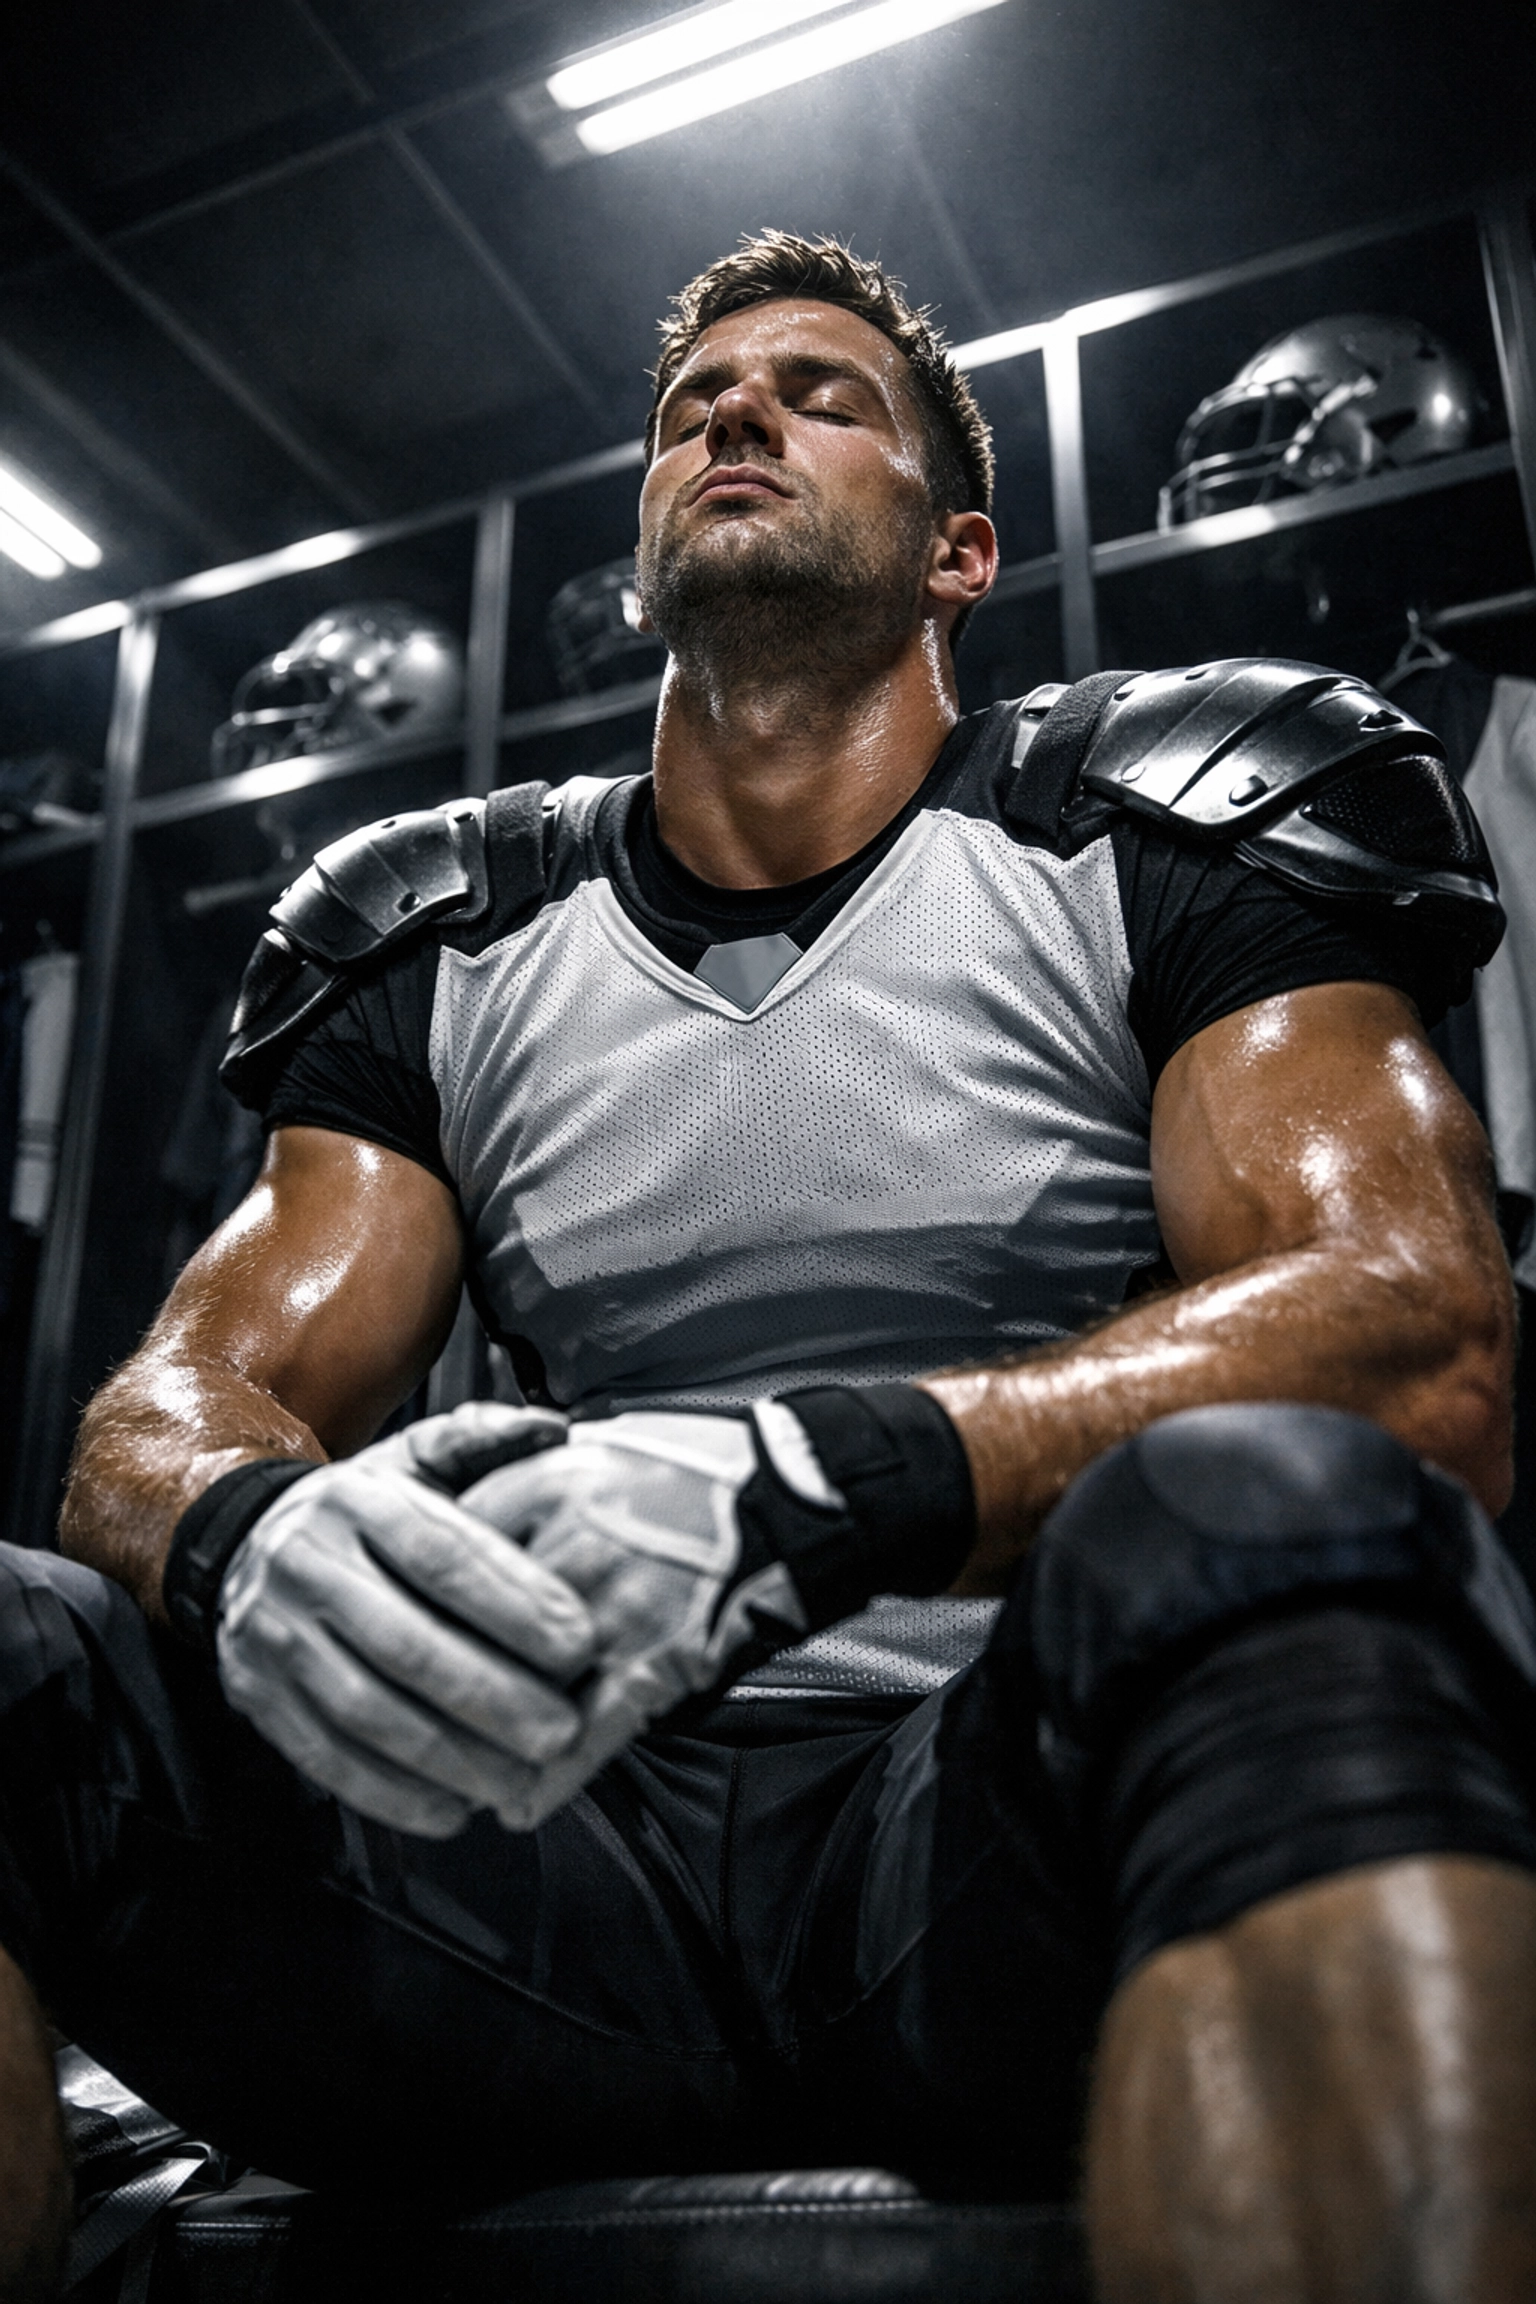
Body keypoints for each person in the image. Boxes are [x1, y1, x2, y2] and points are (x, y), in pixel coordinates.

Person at [5, 231, 1536, 2304]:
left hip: (988, 1831)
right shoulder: (441, 929)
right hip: (544, 1860)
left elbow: (1419, 1336)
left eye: (823, 394)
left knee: (1272, 1504)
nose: (734, 411)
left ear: (959, 553)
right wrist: (252, 1536)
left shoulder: (1159, 819)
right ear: (644, 541)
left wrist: (827, 1478)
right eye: (690, 407)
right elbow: (163, 1414)